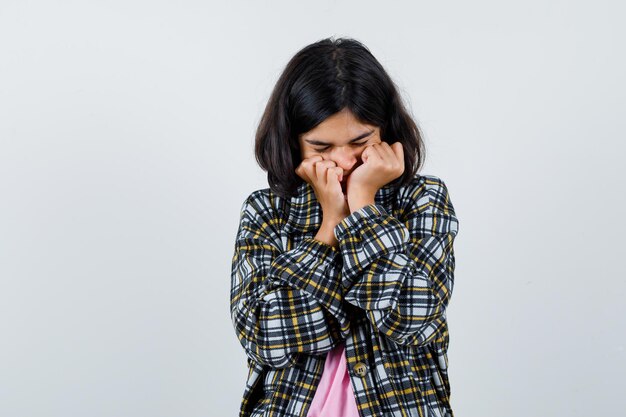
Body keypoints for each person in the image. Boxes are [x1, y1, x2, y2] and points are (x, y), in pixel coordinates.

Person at [230, 37, 460, 417]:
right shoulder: (266, 211)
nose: (343, 160)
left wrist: (364, 206)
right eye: (321, 147)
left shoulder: (422, 199)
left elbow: (415, 320)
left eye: (360, 141)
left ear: (385, 131)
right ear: (293, 142)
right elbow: (263, 336)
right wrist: (330, 226)